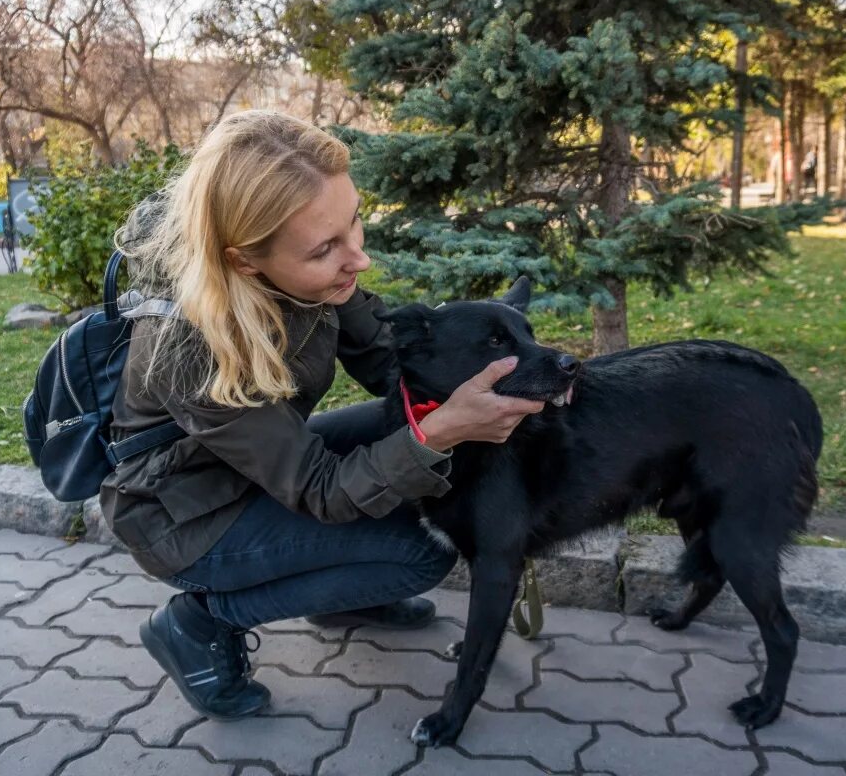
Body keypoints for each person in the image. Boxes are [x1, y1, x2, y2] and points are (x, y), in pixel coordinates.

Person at [102, 110, 546, 720]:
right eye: (325, 248)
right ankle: (199, 623)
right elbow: (322, 491)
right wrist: (440, 429)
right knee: (424, 553)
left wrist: (486, 365)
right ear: (244, 261)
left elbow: (391, 362)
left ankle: (342, 595)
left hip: (254, 461)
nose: (357, 259)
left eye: (355, 220)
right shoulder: (194, 346)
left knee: (403, 440)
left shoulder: (313, 278)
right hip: (185, 515)